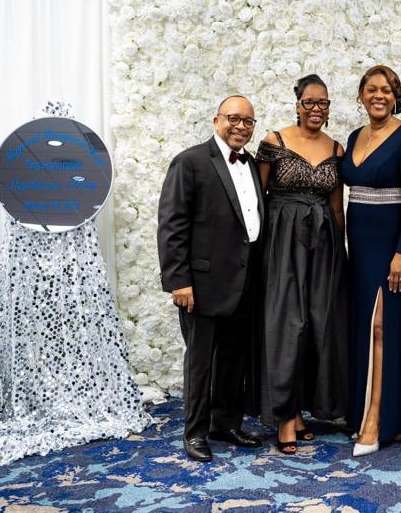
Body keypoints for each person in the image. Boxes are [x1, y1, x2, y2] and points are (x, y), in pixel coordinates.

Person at [157, 94, 264, 462]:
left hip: (242, 282)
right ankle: (195, 433)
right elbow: (171, 225)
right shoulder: (190, 162)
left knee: (234, 360)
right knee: (201, 363)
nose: (241, 126)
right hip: (200, 286)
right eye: (234, 118)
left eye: (248, 121)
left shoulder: (250, 163)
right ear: (216, 120)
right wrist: (178, 281)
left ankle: (226, 423)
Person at [255, 74, 349, 455]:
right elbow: (257, 200)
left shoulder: (337, 148)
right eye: (309, 102)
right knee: (286, 324)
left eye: (322, 103)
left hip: (323, 245)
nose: (315, 109)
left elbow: (336, 205)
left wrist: (343, 250)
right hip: (281, 245)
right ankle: (283, 416)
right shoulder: (273, 142)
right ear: (296, 105)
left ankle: (300, 411)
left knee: (316, 325)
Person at [340, 65, 401, 457]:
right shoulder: (353, 136)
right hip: (357, 244)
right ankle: (361, 408)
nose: (379, 95)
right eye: (371, 89)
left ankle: (377, 420)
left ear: (396, 97)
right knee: (362, 325)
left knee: (381, 326)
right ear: (361, 95)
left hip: (391, 245)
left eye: (387, 89)